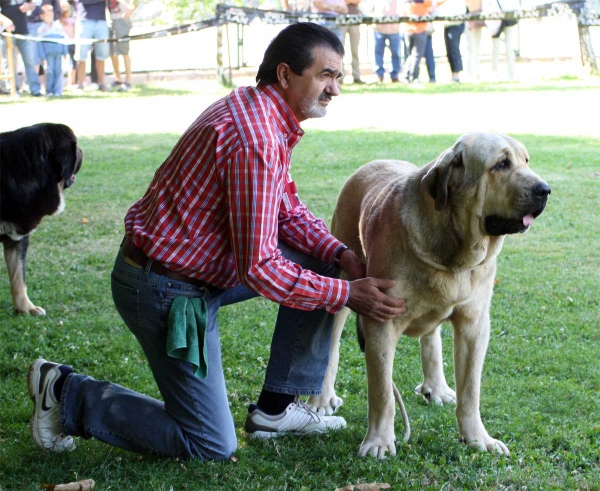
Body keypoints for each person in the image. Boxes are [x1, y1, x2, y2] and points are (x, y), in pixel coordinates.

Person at [27, 22, 406, 459]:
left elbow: (286, 209)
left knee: (322, 258)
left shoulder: (259, 109)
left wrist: (340, 254)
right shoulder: (256, 138)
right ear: (285, 75)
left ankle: (275, 410)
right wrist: (346, 293)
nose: (335, 89)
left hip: (191, 272)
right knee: (210, 444)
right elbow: (261, 268)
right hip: (166, 289)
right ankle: (66, 392)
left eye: (338, 77)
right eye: (325, 75)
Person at [0, 0, 42, 95]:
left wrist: (28, 5)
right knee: (10, 62)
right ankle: (13, 89)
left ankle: (35, 90)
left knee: (30, 60)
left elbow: (32, 5)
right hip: (7, 33)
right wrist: (5, 21)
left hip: (23, 31)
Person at [402, 0, 444, 84]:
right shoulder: (424, 1)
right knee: (416, 55)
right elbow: (435, 4)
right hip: (419, 31)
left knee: (411, 55)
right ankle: (413, 76)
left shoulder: (406, 2)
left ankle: (406, 76)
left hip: (408, 30)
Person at [74, 0, 109, 91]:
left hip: (101, 20)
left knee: (102, 54)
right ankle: (80, 84)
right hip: (84, 19)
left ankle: (101, 83)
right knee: (81, 54)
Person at [37, 3, 67, 95]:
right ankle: (49, 90)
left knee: (58, 71)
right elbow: (39, 44)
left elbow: (63, 40)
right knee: (49, 72)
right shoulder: (41, 29)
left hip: (58, 53)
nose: (49, 17)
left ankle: (58, 90)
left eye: (51, 15)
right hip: (48, 55)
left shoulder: (58, 26)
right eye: (47, 15)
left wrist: (65, 52)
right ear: (42, 16)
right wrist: (42, 56)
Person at [371, 0, 402, 83]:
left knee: (395, 53)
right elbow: (370, 9)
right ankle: (379, 75)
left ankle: (395, 75)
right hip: (379, 28)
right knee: (378, 52)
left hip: (394, 28)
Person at [436, 0, 466, 82]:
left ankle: (456, 75)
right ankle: (454, 74)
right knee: (449, 50)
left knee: (453, 49)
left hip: (456, 23)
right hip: (447, 23)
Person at [108, 0, 134, 91]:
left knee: (124, 51)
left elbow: (135, 3)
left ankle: (128, 81)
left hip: (122, 21)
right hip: (111, 21)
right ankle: (118, 79)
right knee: (112, 53)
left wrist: (129, 11)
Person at [338, 0, 363, 84]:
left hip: (354, 19)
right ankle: (340, 76)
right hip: (341, 19)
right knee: (340, 50)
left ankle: (357, 76)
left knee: (355, 50)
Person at [59, 0, 76, 87]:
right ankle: (61, 83)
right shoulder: (59, 22)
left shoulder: (73, 21)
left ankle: (71, 82)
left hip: (72, 43)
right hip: (62, 44)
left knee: (73, 63)